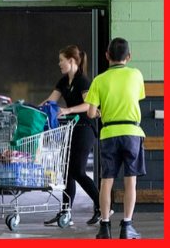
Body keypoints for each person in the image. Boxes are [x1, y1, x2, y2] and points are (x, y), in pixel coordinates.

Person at [85, 38, 146, 240]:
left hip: (109, 134)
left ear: (107, 56)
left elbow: (91, 112)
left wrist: (102, 112)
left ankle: (104, 226)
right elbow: (134, 98)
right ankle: (127, 226)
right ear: (128, 57)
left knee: (106, 181)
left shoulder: (98, 80)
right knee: (130, 182)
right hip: (132, 133)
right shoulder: (136, 75)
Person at [42, 45, 102, 226]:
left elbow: (88, 105)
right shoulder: (63, 81)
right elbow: (50, 100)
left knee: (78, 170)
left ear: (72, 61)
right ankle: (65, 212)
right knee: (67, 170)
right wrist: (33, 109)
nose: (59, 63)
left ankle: (102, 206)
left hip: (86, 127)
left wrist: (67, 109)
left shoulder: (83, 81)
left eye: (61, 60)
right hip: (72, 127)